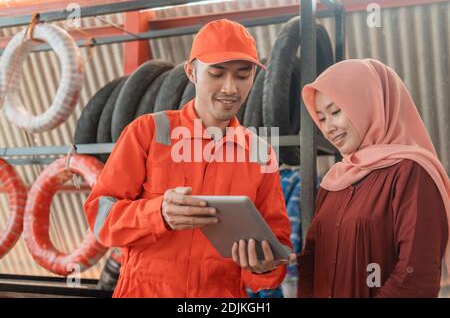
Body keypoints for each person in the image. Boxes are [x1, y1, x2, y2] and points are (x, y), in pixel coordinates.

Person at [84, 19, 295, 298]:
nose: (230, 88)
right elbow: (101, 218)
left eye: (243, 75)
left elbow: (276, 246)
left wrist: (264, 267)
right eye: (217, 74)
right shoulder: (148, 132)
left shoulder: (259, 153)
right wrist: (156, 213)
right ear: (191, 72)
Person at [298, 58, 450, 298]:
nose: (328, 128)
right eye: (322, 118)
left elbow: (415, 274)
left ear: (370, 103)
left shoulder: (411, 171)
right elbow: (312, 261)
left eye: (336, 112)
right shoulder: (335, 179)